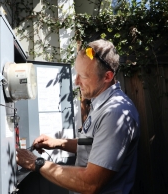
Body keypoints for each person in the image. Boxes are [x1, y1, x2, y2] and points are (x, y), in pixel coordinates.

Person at [16, 39, 140, 194]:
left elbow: (90, 183)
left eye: (83, 76)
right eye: (76, 74)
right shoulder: (101, 103)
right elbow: (95, 146)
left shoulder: (115, 114)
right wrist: (58, 143)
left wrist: (36, 163)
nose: (76, 82)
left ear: (107, 76)